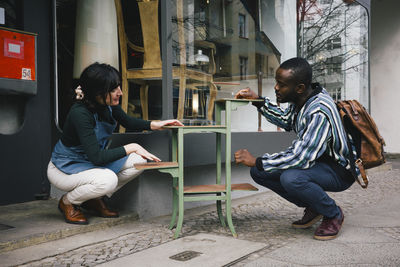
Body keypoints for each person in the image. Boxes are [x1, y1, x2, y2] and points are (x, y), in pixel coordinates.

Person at [234, 57, 355, 240]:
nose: (276, 88)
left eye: (281, 85)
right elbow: (285, 120)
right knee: (259, 172)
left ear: (299, 87)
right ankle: (315, 206)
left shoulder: (319, 110)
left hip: (339, 170)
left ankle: (333, 213)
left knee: (291, 178)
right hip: (317, 163)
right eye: (276, 82)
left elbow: (301, 157)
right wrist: (258, 100)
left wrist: (258, 160)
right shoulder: (300, 100)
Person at [47, 62, 183, 225]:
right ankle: (68, 202)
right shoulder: (80, 114)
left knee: (138, 161)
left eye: (118, 86)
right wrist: (132, 147)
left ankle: (93, 198)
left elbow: (129, 122)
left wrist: (157, 124)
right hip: (64, 168)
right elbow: (97, 157)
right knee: (108, 180)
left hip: (89, 163)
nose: (120, 92)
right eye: (113, 89)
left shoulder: (108, 105)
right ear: (97, 93)